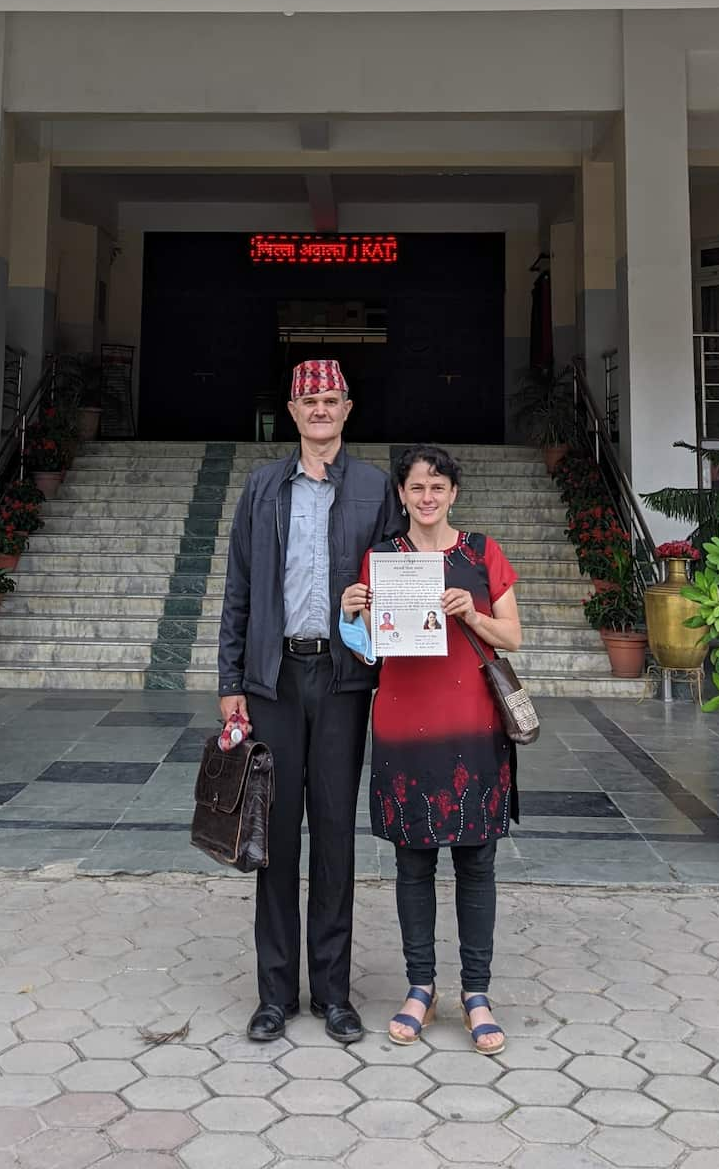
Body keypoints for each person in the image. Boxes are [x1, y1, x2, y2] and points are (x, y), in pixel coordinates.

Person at [218, 359, 402, 1045]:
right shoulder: (263, 488)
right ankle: (275, 995)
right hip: (274, 680)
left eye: (331, 399)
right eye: (309, 401)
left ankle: (333, 993)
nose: (321, 410)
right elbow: (238, 589)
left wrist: (377, 607)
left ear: (349, 409)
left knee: (332, 834)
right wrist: (230, 682)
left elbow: (397, 575)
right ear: (292, 413)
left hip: (342, 677)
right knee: (273, 837)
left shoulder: (375, 489)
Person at [339, 444, 522, 1055]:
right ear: (401, 496)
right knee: (413, 864)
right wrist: (350, 611)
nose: (426, 498)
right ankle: (420, 986)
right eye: (416, 488)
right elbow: (366, 648)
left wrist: (471, 612)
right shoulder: (382, 559)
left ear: (453, 494)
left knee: (476, 862)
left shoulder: (482, 554)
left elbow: (513, 638)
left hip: (473, 728)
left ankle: (476, 993)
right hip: (401, 725)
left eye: (437, 487)